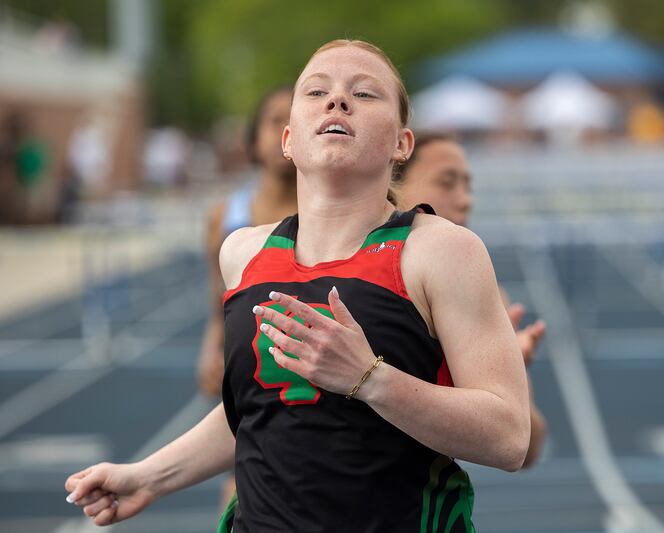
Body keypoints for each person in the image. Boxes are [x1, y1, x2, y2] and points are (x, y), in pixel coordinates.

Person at [64, 39, 535, 532]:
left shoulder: (442, 251)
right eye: (316, 91)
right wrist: (148, 477)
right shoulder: (242, 253)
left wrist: (370, 379)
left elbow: (508, 437)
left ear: (402, 144)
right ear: (288, 140)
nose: (337, 101)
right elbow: (258, 411)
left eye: (365, 94)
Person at [395, 132, 547, 468]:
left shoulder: (479, 288)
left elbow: (525, 447)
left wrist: (510, 376)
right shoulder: (344, 268)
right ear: (393, 179)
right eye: (447, 183)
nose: (465, 200)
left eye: (468, 186)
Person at [197, 86, 297, 510]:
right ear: (254, 138)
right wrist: (210, 345)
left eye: (293, 119)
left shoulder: (326, 210)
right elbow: (218, 297)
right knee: (239, 493)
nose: (284, 129)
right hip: (247, 366)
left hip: (305, 367)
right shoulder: (226, 214)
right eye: (274, 120)